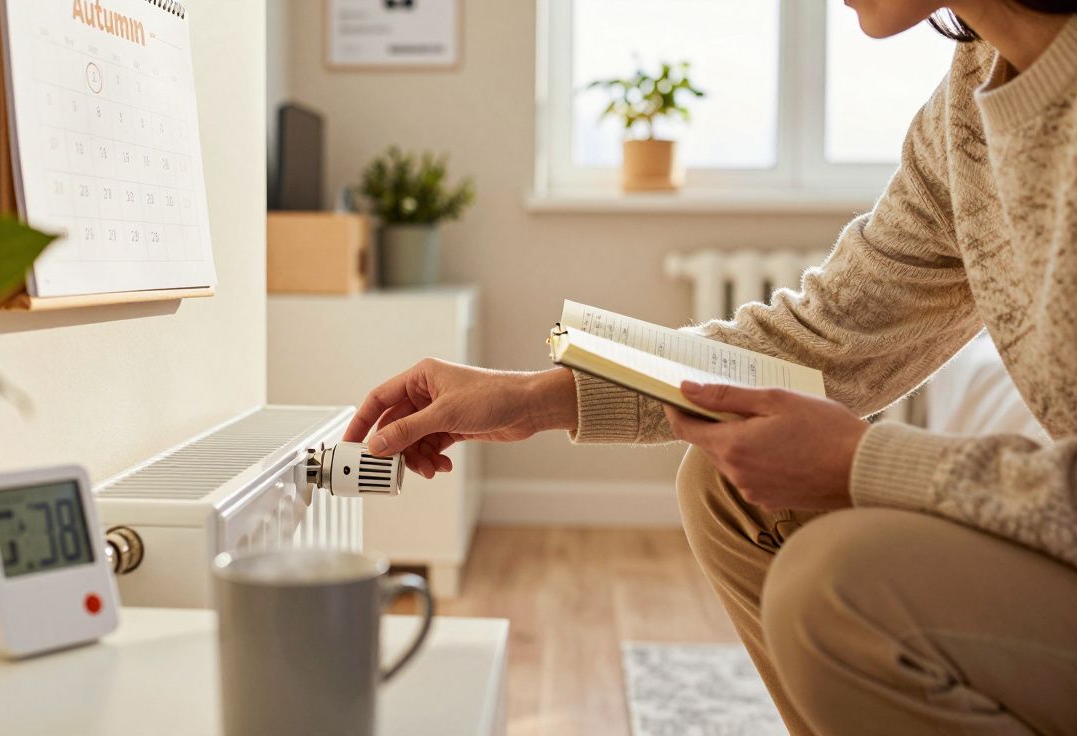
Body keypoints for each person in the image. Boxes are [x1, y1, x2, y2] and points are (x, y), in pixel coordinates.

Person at [343, 1, 1077, 733]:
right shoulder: (967, 111)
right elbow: (823, 337)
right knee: (728, 484)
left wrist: (865, 462)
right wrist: (533, 399)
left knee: (834, 590)